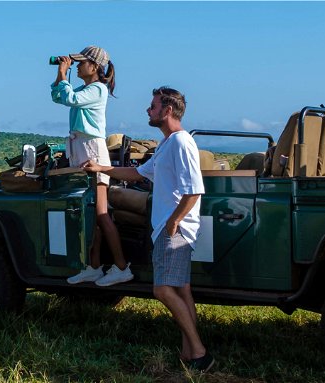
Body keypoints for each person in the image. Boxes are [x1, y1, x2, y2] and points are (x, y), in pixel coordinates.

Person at [81, 87, 214, 372]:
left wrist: (174, 221)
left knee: (163, 290)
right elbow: (137, 173)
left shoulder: (181, 143)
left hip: (174, 231)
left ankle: (200, 352)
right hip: (170, 229)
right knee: (182, 289)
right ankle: (190, 352)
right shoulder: (167, 144)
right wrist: (101, 169)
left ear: (167, 111)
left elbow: (194, 191)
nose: (148, 110)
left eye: (152, 106)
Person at [50, 46, 133, 286]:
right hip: (80, 150)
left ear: (94, 67)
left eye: (81, 62)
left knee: (101, 214)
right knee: (90, 216)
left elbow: (70, 99)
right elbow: (58, 96)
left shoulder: (98, 89)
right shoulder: (87, 88)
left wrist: (64, 75)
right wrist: (60, 75)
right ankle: (93, 266)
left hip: (93, 153)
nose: (76, 65)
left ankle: (121, 267)